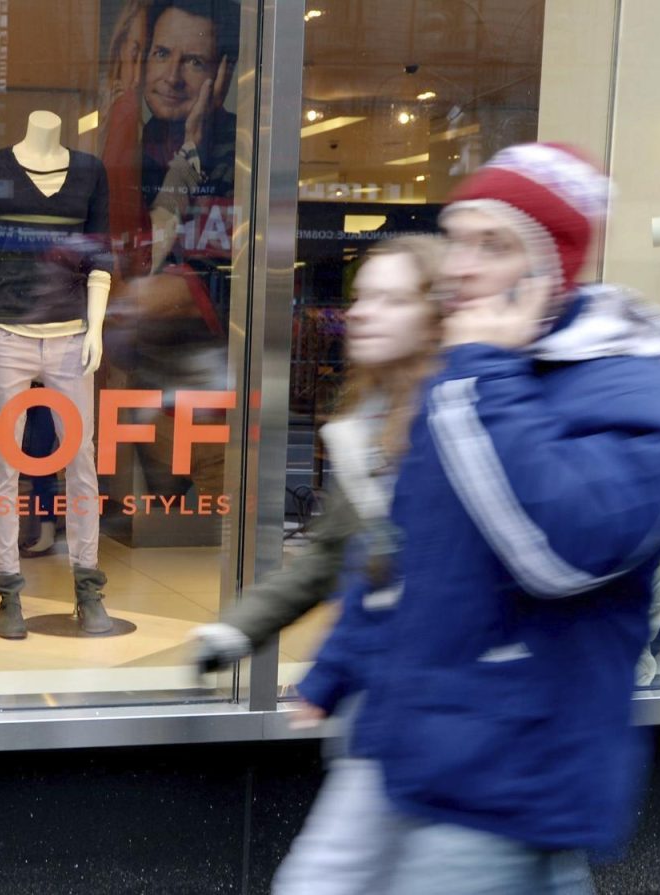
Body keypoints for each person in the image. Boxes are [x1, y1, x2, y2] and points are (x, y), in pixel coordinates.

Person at [359, 144, 660, 893]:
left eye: (494, 245)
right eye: (456, 238)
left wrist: (481, 376)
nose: (461, 266)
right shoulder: (473, 374)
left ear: (552, 267)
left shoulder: (634, 391)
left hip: (514, 771)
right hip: (442, 756)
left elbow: (562, 554)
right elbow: (404, 552)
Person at [192, 235, 447, 893]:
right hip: (389, 712)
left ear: (435, 316)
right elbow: (337, 558)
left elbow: (415, 586)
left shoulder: (459, 421)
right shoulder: (368, 421)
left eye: (391, 299)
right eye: (363, 297)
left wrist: (332, 670)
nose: (361, 312)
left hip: (452, 720)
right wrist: (237, 629)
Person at [101, 0, 238, 278]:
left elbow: (142, 281)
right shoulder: (136, 147)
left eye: (194, 62)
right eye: (161, 54)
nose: (172, 77)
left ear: (223, 72)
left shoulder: (242, 156)